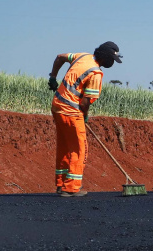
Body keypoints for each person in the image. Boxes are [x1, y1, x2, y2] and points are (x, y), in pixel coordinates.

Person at [48, 41, 123, 197]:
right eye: (112, 60)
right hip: (71, 111)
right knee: (79, 149)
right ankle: (72, 188)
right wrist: (85, 115)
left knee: (64, 146)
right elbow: (84, 102)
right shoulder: (95, 73)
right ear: (106, 58)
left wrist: (53, 77)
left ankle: (61, 184)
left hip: (57, 106)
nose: (112, 64)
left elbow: (59, 57)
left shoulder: (82, 56)